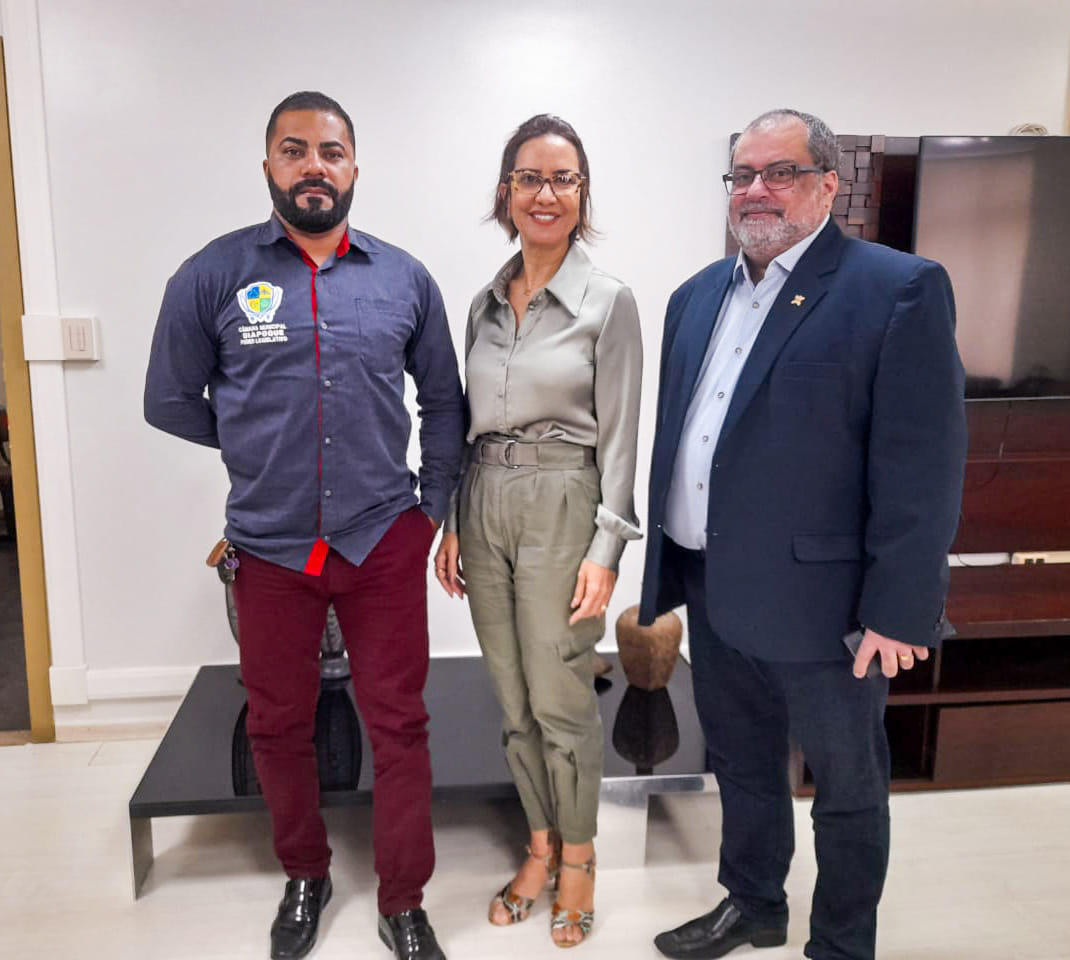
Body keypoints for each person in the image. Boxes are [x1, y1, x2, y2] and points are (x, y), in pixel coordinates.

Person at [639, 109, 967, 960]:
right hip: (714, 590)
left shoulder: (896, 287)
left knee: (847, 787)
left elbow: (921, 469)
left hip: (831, 611)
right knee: (742, 767)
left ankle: (841, 942)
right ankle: (753, 903)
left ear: (828, 185)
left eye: (779, 172)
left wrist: (901, 611)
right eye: (742, 174)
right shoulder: (696, 295)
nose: (756, 190)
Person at [144, 91, 463, 960]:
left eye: (331, 151)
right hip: (270, 546)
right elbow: (168, 401)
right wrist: (254, 440)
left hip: (380, 539)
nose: (313, 166)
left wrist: (429, 511)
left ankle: (404, 899)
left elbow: (444, 401)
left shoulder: (403, 278)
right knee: (276, 725)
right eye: (295, 151)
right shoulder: (212, 275)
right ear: (269, 168)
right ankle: (305, 875)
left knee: (399, 724)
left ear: (355, 168)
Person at [434, 114, 642, 948]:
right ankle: (539, 846)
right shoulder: (485, 301)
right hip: (483, 499)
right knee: (513, 700)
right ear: (505, 191)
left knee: (562, 700)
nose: (544, 194)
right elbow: (462, 420)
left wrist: (607, 546)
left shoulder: (608, 300)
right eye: (529, 178)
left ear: (581, 193)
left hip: (564, 499)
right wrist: (451, 519)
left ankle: (582, 862)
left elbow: (624, 435)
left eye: (562, 179)